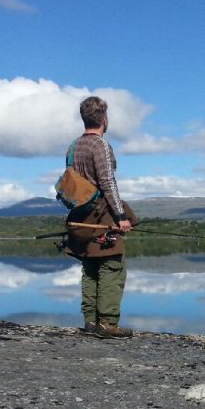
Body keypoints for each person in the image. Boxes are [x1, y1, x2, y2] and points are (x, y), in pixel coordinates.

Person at [62, 96, 134, 338]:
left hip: (80, 214)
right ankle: (108, 323)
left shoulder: (73, 147)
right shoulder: (100, 145)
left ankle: (90, 321)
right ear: (104, 119)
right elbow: (107, 182)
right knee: (112, 264)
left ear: (85, 119)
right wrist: (121, 215)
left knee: (90, 265)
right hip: (102, 214)